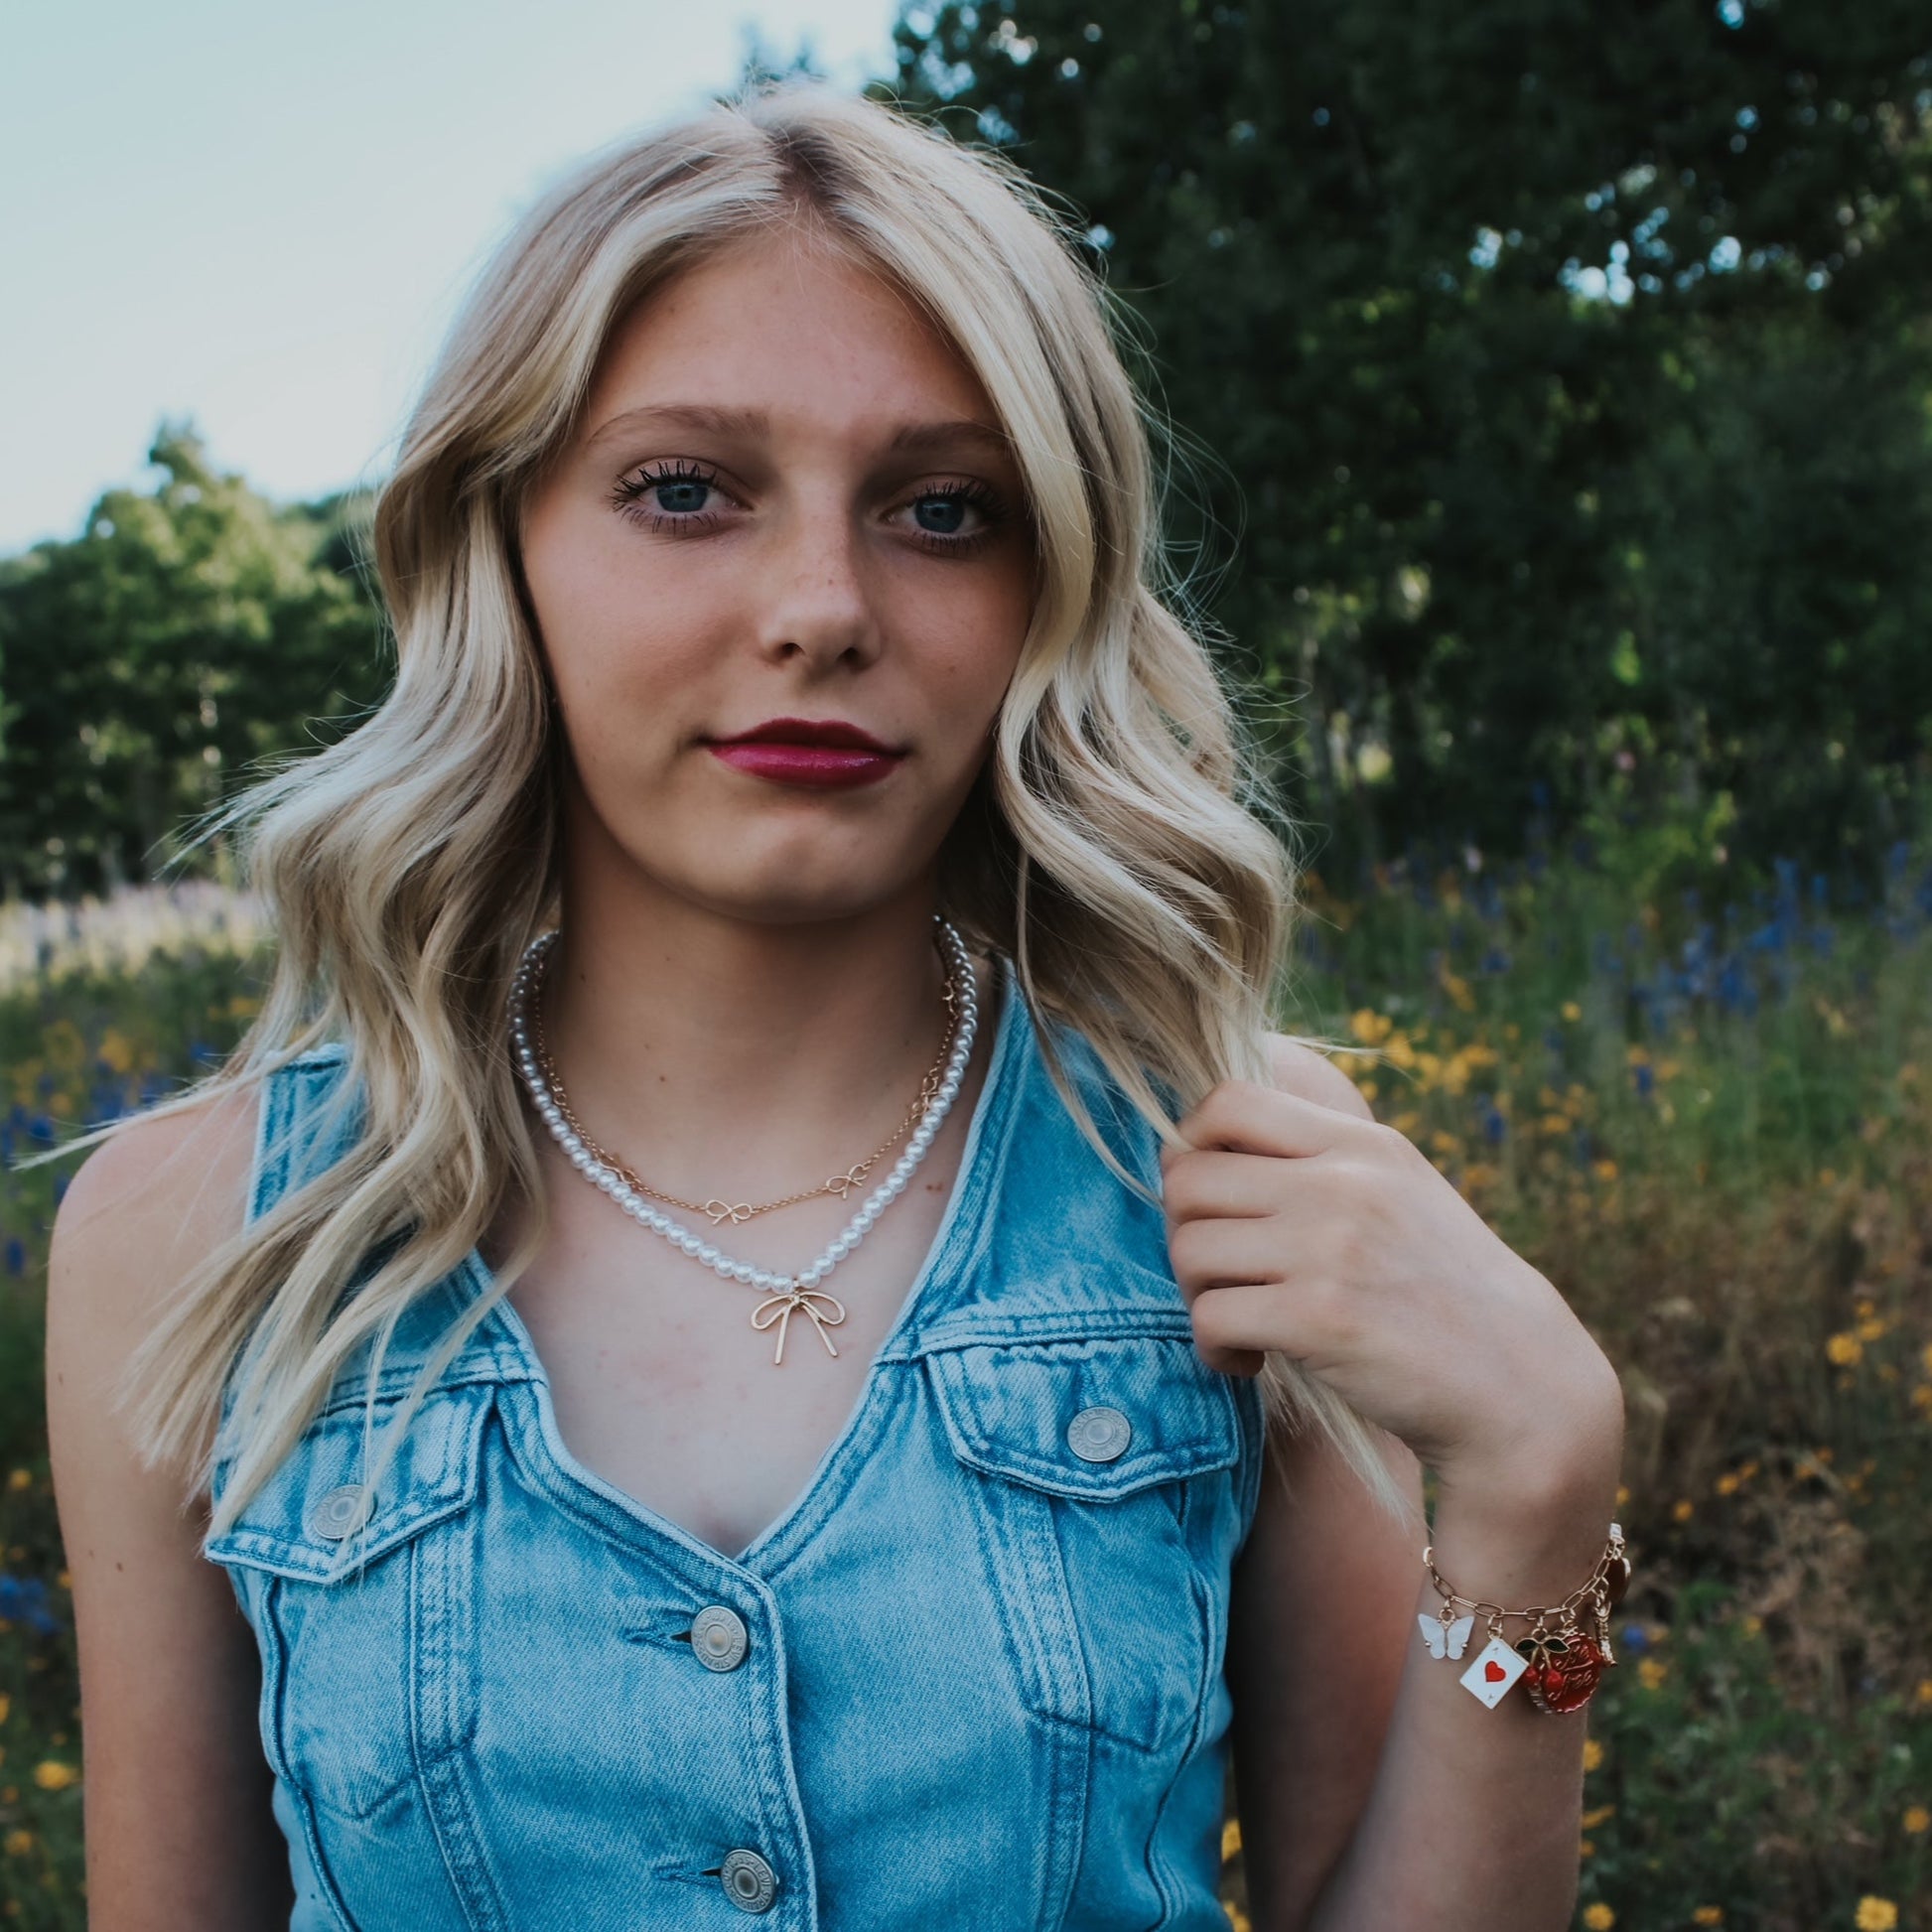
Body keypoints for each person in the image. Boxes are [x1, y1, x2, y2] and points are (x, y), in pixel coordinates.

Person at [46, 84, 1624, 1932]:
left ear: (1047, 583)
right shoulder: (196, 1236)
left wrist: (1534, 1497)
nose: (820, 605)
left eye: (941, 509)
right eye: (684, 490)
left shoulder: (1241, 1178)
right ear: (505, 550)